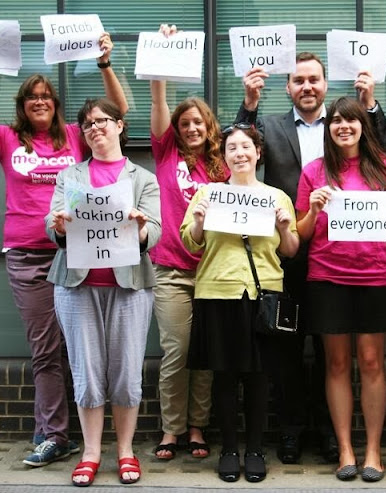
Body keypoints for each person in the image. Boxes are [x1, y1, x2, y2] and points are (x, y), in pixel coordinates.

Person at [0, 32, 128, 466]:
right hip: (27, 255)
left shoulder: (76, 137)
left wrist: (104, 63)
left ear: (56, 104)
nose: (40, 101)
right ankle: (54, 435)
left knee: (81, 347)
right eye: (32, 97)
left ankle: (84, 436)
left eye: (46, 96)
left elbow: (118, 112)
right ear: (23, 105)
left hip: (78, 252)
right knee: (45, 348)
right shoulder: (5, 138)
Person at [235, 52, 386, 465]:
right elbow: (239, 145)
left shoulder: (345, 122)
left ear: (325, 84)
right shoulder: (270, 127)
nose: (307, 86)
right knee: (288, 346)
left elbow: (383, 151)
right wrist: (249, 103)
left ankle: (329, 435)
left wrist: (370, 103)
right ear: (287, 87)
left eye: (314, 79)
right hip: (290, 254)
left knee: (332, 353)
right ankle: (290, 430)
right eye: (298, 80)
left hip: (347, 259)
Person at [46, 98, 161, 487]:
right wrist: (59, 226)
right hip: (76, 286)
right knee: (87, 373)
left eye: (102, 121)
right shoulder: (70, 176)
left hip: (129, 287)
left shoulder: (143, 178)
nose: (95, 128)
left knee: (127, 373)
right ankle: (91, 452)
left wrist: (141, 228)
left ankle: (125, 450)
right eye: (87, 124)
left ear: (120, 125)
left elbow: (156, 229)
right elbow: (51, 222)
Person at [180, 124, 299, 483]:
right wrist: (199, 221)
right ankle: (230, 449)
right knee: (225, 375)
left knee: (260, 377)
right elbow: (190, 243)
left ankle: (256, 450)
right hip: (218, 292)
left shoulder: (276, 197)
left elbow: (290, 250)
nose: (240, 153)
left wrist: (284, 227)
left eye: (246, 146)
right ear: (224, 155)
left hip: (263, 295)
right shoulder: (208, 193)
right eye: (232, 148)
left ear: (258, 153)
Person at [295, 96, 386, 481]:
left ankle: (373, 450)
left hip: (376, 276)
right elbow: (301, 233)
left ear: (363, 126)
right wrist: (313, 209)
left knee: (372, 362)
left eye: (351, 120)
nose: (343, 126)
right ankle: (345, 449)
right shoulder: (314, 171)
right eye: (336, 121)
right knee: (337, 363)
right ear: (328, 129)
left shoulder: (385, 169)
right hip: (328, 277)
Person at [150, 23, 230, 461]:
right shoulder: (165, 154)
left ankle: (197, 427)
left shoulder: (221, 167)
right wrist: (163, 55)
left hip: (213, 271)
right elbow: (158, 101)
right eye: (185, 124)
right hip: (171, 270)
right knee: (176, 351)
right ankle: (171, 429)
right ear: (176, 130)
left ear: (208, 126)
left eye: (198, 122)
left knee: (205, 354)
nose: (192, 128)